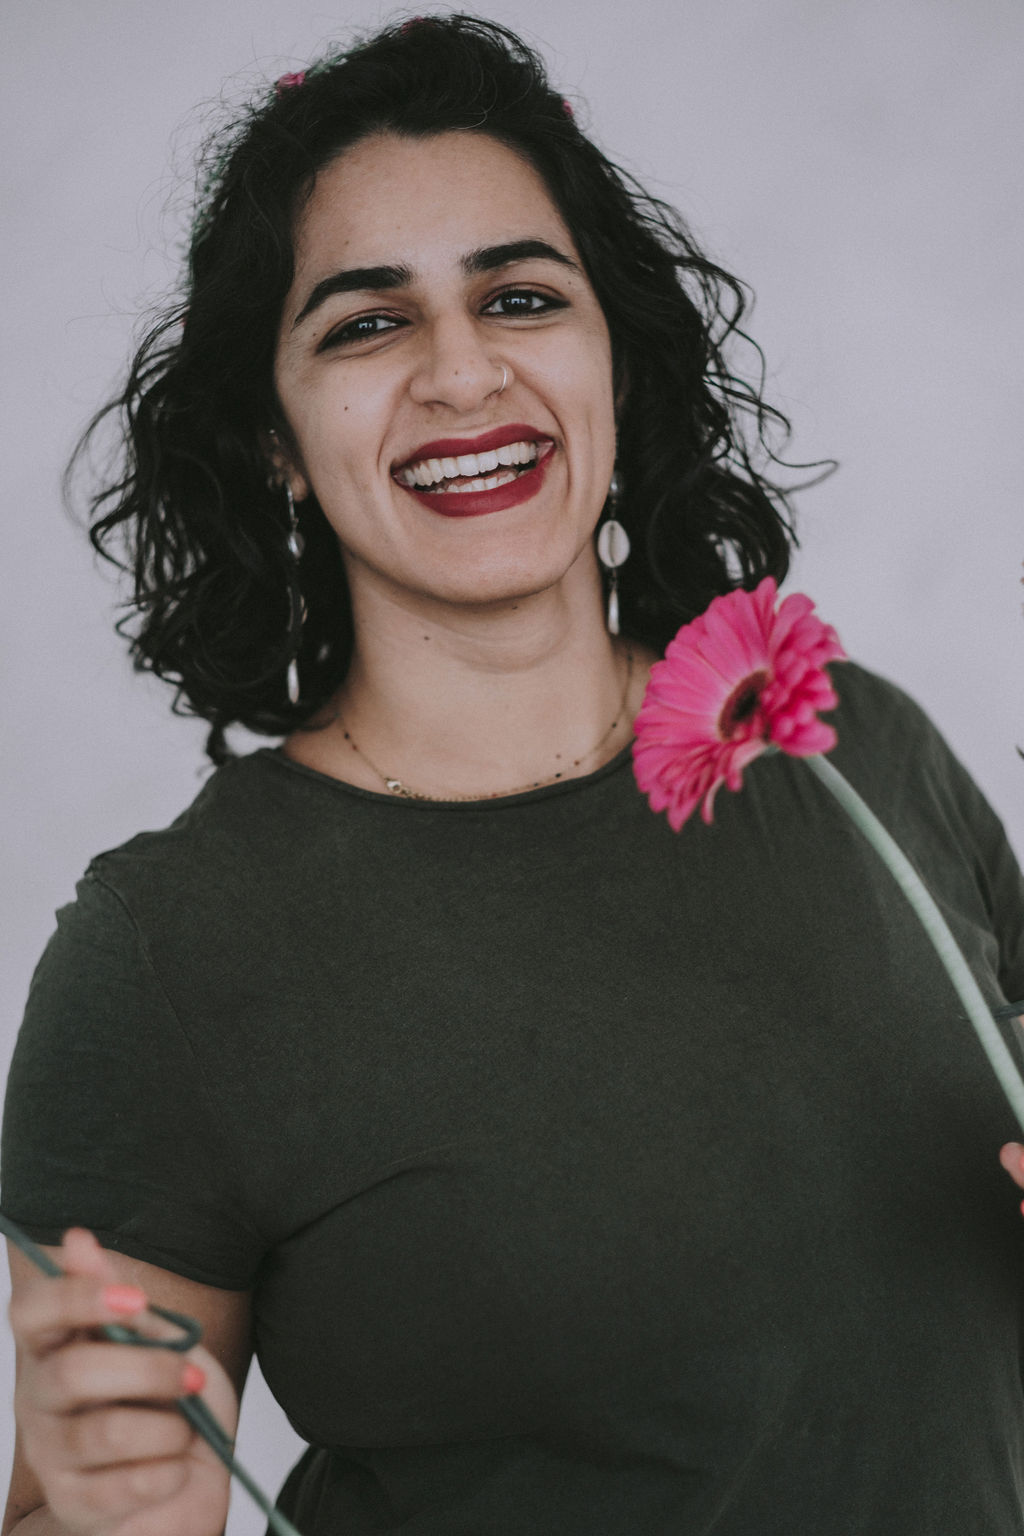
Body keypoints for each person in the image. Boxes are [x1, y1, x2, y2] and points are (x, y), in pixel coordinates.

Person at [3, 14, 1024, 1536]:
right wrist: (100, 1518)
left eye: (523, 295)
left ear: (612, 353)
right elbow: (88, 1507)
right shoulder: (168, 954)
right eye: (364, 324)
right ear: (273, 439)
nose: (463, 371)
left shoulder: (844, 746)